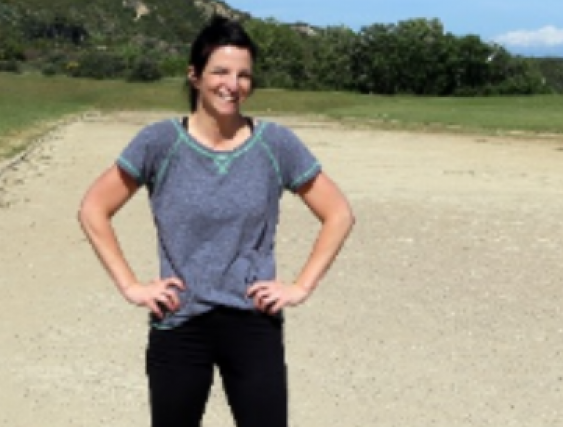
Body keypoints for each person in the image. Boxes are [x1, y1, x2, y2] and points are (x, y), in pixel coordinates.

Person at [76, 16, 355, 427]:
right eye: (220, 71)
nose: (233, 84)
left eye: (244, 75)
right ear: (194, 76)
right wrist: (131, 285)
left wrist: (300, 286)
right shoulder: (160, 142)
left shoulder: (275, 144)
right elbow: (93, 208)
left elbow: (338, 213)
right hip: (181, 321)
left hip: (252, 322)